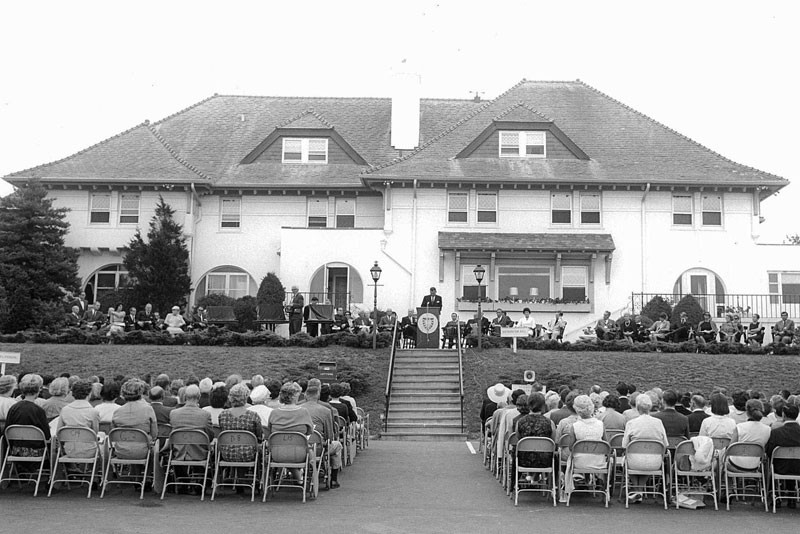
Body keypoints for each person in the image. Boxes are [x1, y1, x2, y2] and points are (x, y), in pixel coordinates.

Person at [621, 394, 668, 503]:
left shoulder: (631, 423)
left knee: (630, 459)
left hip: (634, 460)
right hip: (655, 462)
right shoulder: (658, 422)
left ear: (637, 407)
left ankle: (637, 491)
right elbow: (665, 443)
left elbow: (624, 445)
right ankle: (639, 491)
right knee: (647, 459)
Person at [303, 380, 343, 488]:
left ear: (305, 395)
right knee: (337, 445)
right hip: (318, 448)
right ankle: (333, 479)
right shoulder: (325, 410)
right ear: (318, 395)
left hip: (299, 447)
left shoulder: (298, 408)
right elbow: (330, 436)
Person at [5, 374, 50, 459]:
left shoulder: (14, 408)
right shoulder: (39, 410)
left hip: (15, 450)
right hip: (36, 451)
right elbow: (47, 435)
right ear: (38, 390)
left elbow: (7, 430)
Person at [111, 379, 158, 459]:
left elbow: (113, 434)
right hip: (143, 451)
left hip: (121, 451)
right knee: (154, 446)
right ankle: (149, 471)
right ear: (140, 393)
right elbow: (154, 434)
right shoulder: (148, 409)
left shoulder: (117, 412)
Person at [218, 383, 263, 462]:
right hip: (248, 454)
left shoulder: (223, 415)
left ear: (231, 397)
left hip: (227, 453)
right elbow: (259, 437)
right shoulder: (253, 415)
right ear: (246, 397)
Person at [766, 403, 800, 505]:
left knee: (771, 463)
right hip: (798, 467)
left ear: (784, 415)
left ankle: (774, 495)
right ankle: (792, 497)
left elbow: (769, 452)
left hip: (780, 468)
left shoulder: (777, 433)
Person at [56, 379, 100, 457]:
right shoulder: (93, 412)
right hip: (89, 450)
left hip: (69, 450)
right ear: (90, 393)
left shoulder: (65, 409)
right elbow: (94, 433)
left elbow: (59, 432)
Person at [169, 384, 213, 461]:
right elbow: (210, 436)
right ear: (199, 397)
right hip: (199, 454)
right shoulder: (205, 415)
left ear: (185, 397)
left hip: (178, 453)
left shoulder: (174, 413)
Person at [727, 399, 771, 471]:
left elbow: (730, 449)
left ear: (747, 412)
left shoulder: (740, 427)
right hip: (755, 465)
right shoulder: (768, 429)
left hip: (736, 464)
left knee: (721, 455)